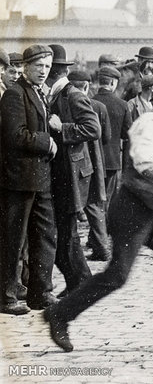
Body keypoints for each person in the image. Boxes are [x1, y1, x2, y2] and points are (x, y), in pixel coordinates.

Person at [43, 71, 153, 353]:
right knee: (117, 275)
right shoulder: (151, 121)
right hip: (132, 211)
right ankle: (59, 314)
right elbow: (144, 163)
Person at [0, 45, 58, 315]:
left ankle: (41, 293)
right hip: (19, 179)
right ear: (25, 67)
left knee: (45, 236)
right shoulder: (14, 94)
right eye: (38, 66)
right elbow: (15, 136)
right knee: (15, 239)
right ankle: (7, 295)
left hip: (40, 178)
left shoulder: (39, 93)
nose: (43, 72)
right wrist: (47, 142)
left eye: (47, 67)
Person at [46, 44, 101, 294]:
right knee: (65, 230)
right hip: (63, 171)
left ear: (53, 71)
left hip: (73, 173)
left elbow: (93, 129)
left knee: (67, 231)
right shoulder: (56, 95)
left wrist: (62, 128)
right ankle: (78, 281)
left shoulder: (73, 95)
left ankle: (80, 282)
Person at [68, 71, 111, 262]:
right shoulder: (98, 106)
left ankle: (97, 247)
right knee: (95, 206)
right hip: (96, 161)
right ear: (86, 86)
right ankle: (102, 246)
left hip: (78, 162)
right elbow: (106, 136)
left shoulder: (68, 103)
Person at [92, 66, 132, 207]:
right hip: (112, 159)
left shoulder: (89, 102)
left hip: (92, 159)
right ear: (113, 83)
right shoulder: (122, 105)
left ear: (99, 82)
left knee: (94, 198)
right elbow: (127, 133)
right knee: (109, 199)